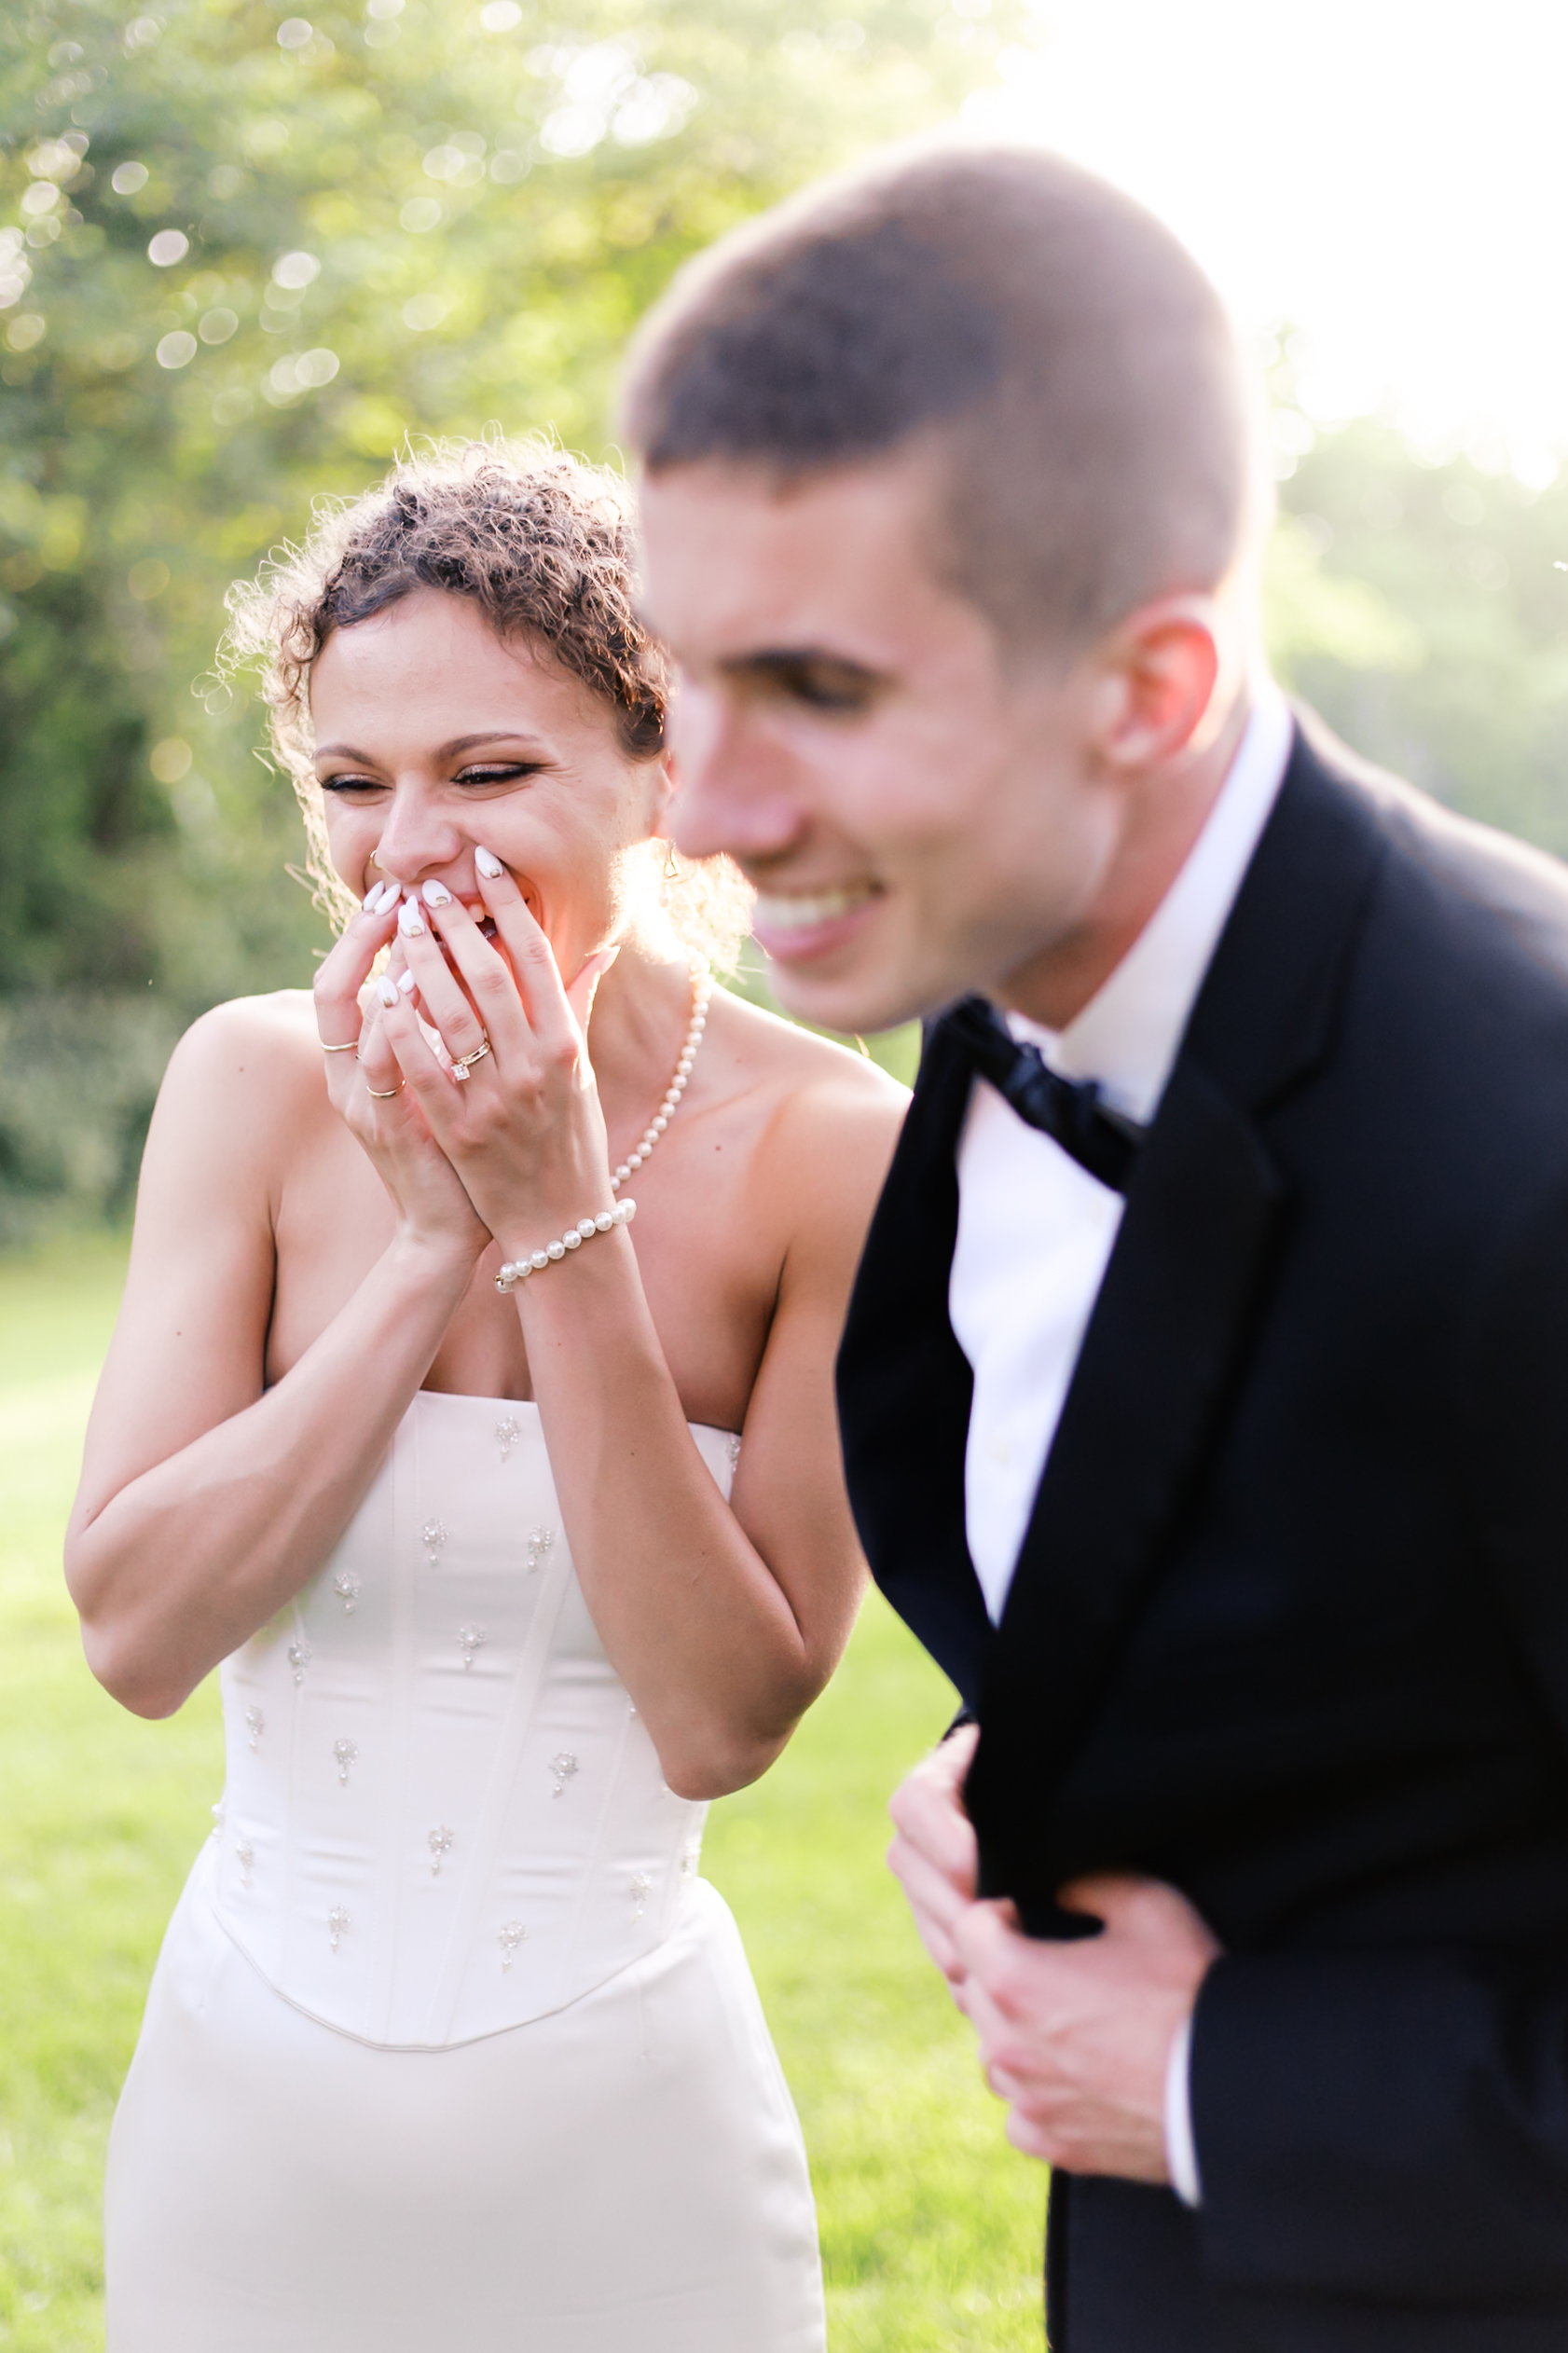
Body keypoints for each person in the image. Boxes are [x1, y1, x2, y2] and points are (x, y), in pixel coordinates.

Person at [625, 143, 1568, 2349]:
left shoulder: (1531, 1149)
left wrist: (1214, 2082)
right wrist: (1054, 1747)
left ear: (1145, 686)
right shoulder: (986, 964)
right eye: (685, 674)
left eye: (821, 690)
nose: (700, 809)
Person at [65, 441, 904, 2351]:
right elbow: (134, 1630)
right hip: (243, 2130)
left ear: (665, 770)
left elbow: (719, 1716)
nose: (409, 842)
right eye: (352, 783)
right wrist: (432, 1240)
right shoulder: (251, 1083)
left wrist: (556, 1208)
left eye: (490, 771)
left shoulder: (833, 1150)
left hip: (626, 2153)